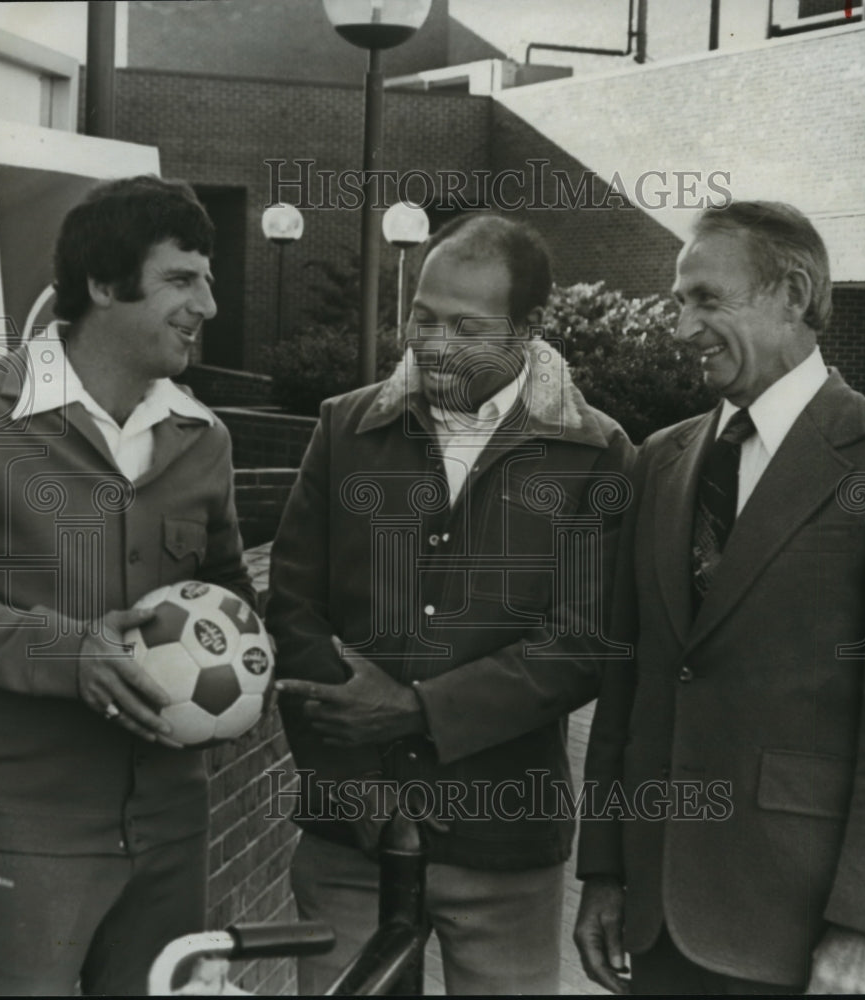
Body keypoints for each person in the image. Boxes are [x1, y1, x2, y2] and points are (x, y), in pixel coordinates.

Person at [266, 213, 634, 994]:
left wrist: (419, 709)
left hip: (501, 840)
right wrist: (347, 777)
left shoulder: (596, 452)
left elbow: (582, 645)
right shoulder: (343, 427)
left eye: (466, 326)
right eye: (422, 317)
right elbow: (293, 607)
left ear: (529, 329)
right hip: (347, 842)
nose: (432, 344)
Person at [574, 200, 865, 995]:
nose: (679, 328)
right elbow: (624, 681)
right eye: (678, 301)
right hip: (657, 921)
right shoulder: (657, 462)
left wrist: (859, 924)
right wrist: (602, 871)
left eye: (706, 299)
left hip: (800, 931)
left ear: (793, 293)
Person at [0, 175, 254, 996]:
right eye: (181, 279)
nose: (207, 304)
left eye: (207, 279)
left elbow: (229, 595)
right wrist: (72, 655)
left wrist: (253, 673)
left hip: (173, 831)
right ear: (103, 285)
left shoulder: (202, 437)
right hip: (23, 827)